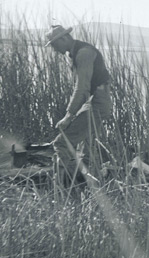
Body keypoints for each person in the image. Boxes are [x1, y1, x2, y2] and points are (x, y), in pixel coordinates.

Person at [45, 25, 112, 185]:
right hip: (95, 101)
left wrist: (69, 116)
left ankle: (66, 187)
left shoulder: (84, 53)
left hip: (96, 102)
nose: (54, 49)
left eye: (55, 45)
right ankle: (90, 186)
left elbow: (82, 87)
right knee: (86, 150)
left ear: (64, 38)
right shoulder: (77, 53)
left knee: (62, 143)